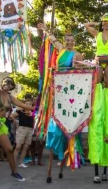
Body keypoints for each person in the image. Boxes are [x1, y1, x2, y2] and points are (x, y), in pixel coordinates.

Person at [37, 22, 84, 183]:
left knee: (67, 129)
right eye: (68, 39)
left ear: (74, 42)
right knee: (54, 125)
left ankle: (64, 162)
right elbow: (52, 38)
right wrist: (45, 29)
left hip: (70, 92)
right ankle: (51, 168)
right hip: (57, 91)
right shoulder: (61, 50)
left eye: (72, 40)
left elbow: (79, 74)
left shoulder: (77, 55)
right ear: (65, 40)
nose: (70, 42)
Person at [85, 13, 108, 182]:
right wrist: (99, 21)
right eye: (105, 22)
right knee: (97, 85)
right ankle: (97, 102)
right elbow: (87, 25)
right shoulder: (98, 34)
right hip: (99, 59)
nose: (106, 24)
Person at [11, 99, 34, 168]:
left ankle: (21, 162)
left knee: (26, 147)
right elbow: (11, 116)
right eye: (27, 103)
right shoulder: (20, 111)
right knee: (18, 146)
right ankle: (13, 163)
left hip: (30, 130)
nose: (28, 105)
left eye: (30, 103)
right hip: (22, 129)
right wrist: (16, 122)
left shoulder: (32, 112)